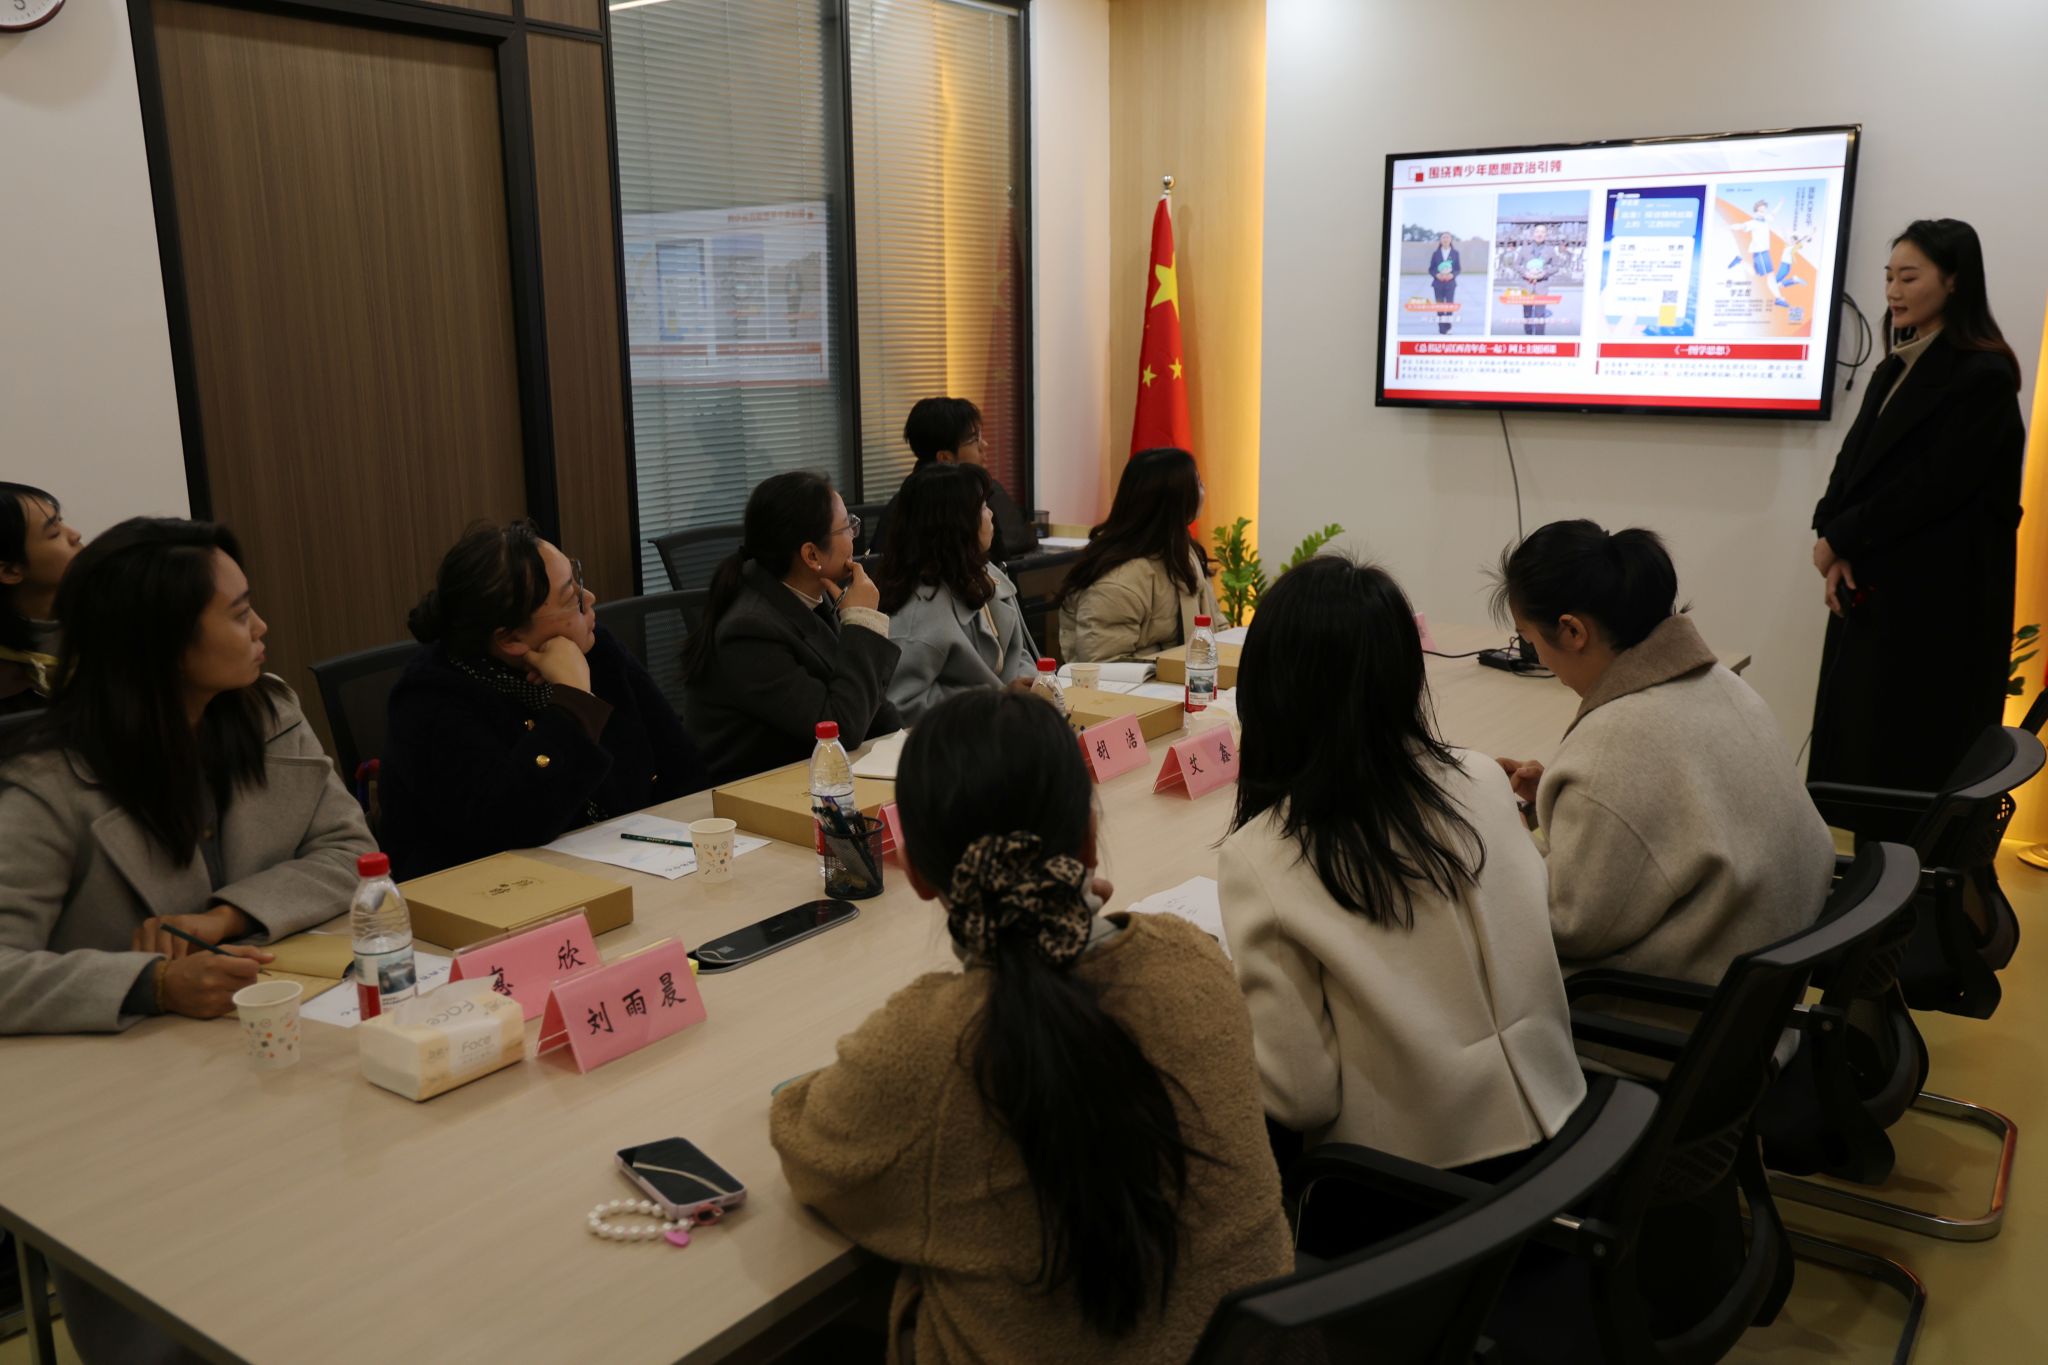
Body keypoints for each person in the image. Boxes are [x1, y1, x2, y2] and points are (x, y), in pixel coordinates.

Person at [771, 690, 1292, 1364]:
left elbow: (805, 1142)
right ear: (1089, 841)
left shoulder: (925, 1050)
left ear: (918, 874)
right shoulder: (1193, 961)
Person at [1220, 555, 1584, 1170]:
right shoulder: (1481, 776)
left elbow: (1300, 1097)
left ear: (1266, 690)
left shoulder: (1264, 855)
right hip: (1565, 1134)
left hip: (1418, 1191)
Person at [0, 518, 375, 1036]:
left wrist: (226, 917)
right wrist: (155, 983)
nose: (261, 626)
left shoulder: (268, 712)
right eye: (240, 614)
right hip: (128, 1058)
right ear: (162, 642)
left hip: (276, 1016)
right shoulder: (48, 783)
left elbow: (352, 854)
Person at [1492, 520, 1834, 985]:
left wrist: (1504, 833)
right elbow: (1659, 803)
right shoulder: (1722, 684)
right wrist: (1564, 802)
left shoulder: (1613, 747)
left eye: (1530, 642)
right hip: (1769, 978)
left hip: (1677, 1010)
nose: (1540, 661)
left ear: (1572, 631)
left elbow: (1563, 928)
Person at [1808, 219, 2027, 790]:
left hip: (1933, 608)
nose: (1893, 292)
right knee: (1857, 760)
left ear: (1954, 281)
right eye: (1889, 278)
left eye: (1909, 278)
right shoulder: (1895, 364)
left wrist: (1841, 539)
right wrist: (1830, 537)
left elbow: (1931, 488)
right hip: (1874, 587)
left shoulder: (1982, 375)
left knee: (1910, 765)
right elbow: (1852, 464)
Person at [380, 521, 707, 880]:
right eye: (572, 600)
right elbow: (514, 826)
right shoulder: (431, 702)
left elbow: (684, 768)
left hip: (635, 869)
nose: (590, 598)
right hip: (500, 891)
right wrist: (574, 701)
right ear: (511, 639)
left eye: (578, 582)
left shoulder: (596, 649)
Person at [682, 471, 902, 783]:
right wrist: (863, 622)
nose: (855, 536)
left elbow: (872, 712)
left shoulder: (809, 594)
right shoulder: (749, 631)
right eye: (847, 527)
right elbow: (840, 728)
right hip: (745, 792)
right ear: (811, 554)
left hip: (806, 776)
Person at [877, 462, 1038, 724]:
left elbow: (1019, 654)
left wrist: (1032, 687)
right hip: (957, 739)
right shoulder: (919, 610)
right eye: (983, 507)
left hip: (1007, 725)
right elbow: (903, 704)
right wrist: (997, 701)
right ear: (957, 523)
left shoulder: (988, 574)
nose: (991, 515)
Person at [1056, 447, 1219, 663]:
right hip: (1139, 685)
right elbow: (1104, 667)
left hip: (1190, 680)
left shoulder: (1185, 554)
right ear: (1176, 500)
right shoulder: (1118, 582)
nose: (1204, 489)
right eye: (1197, 483)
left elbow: (1217, 628)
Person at [874, 396, 1038, 560]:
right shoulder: (918, 510)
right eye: (974, 440)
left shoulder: (975, 495)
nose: (984, 445)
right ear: (945, 458)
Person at [0, 482, 84, 714]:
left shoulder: (119, 608)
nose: (75, 535)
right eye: (54, 533)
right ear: (10, 571)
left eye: (61, 521)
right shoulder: (8, 677)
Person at [1427, 230, 1462, 335]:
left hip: (1450, 284)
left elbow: (1458, 268)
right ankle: (1442, 329)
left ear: (1450, 240)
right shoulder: (1436, 254)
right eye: (1443, 237)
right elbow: (1431, 269)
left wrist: (1452, 275)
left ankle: (1448, 327)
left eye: (1447, 237)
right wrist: (1437, 275)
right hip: (1438, 284)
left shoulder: (1455, 253)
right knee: (1440, 307)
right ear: (1440, 240)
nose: (1445, 239)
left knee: (1449, 306)